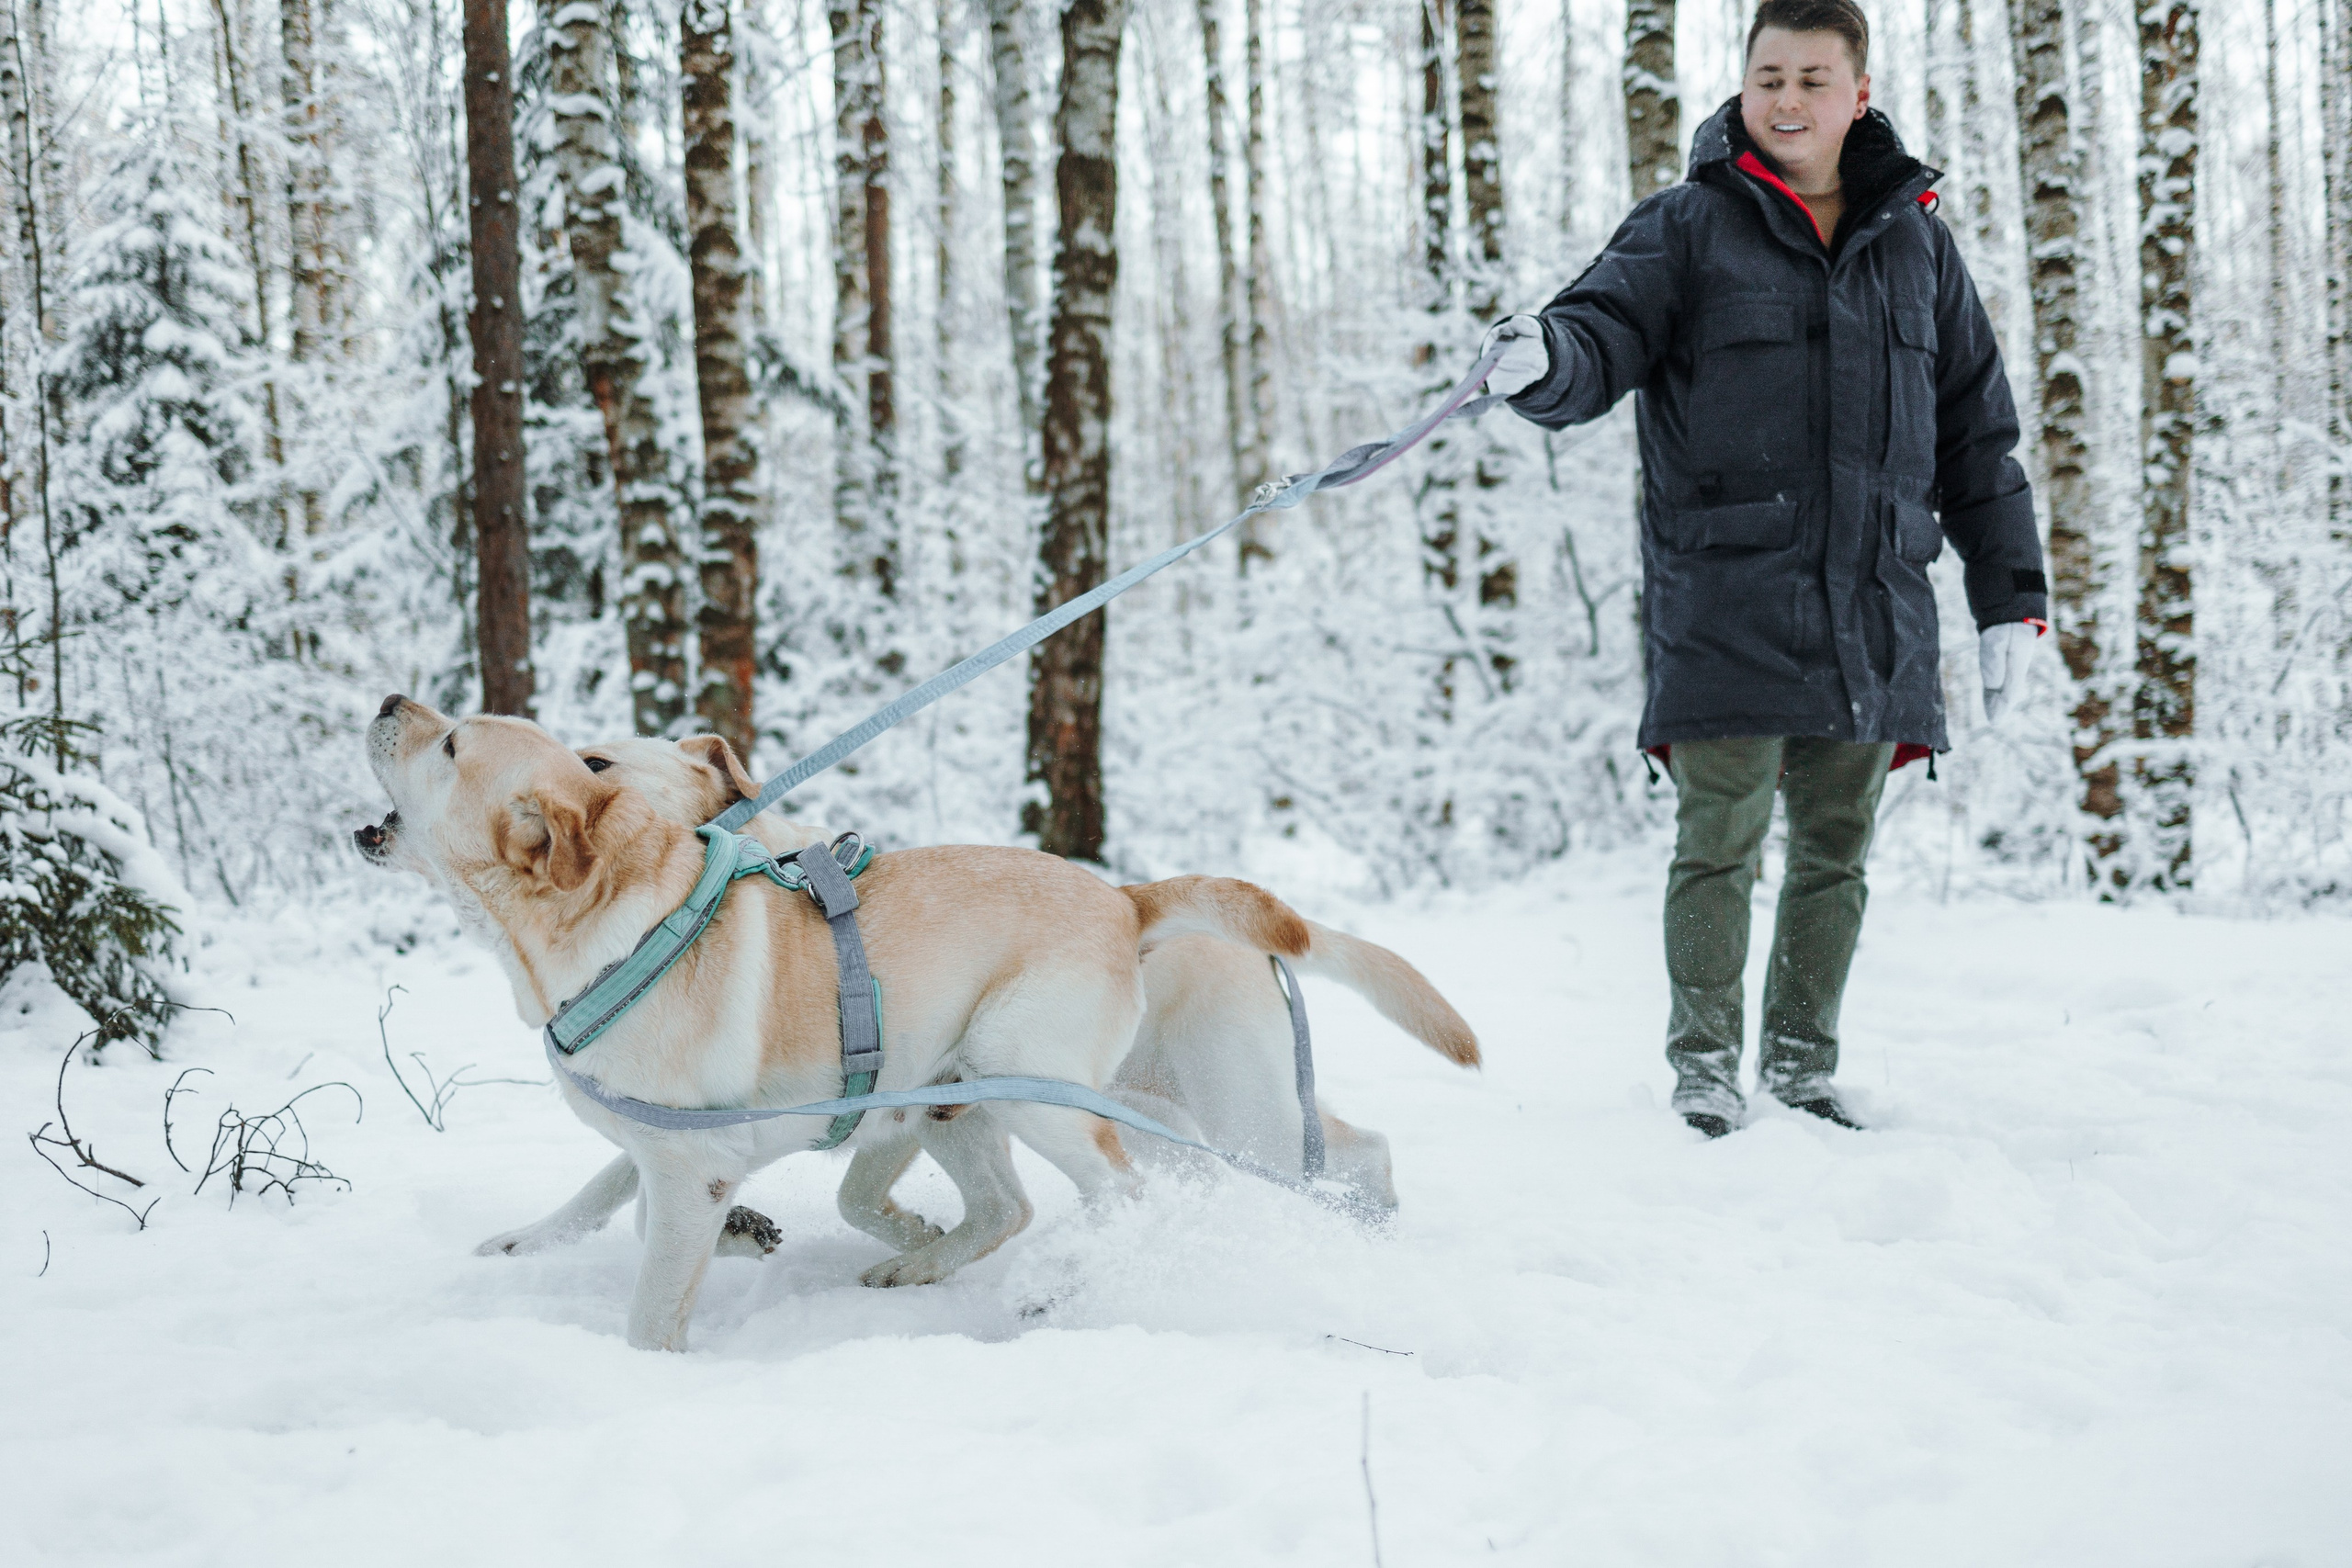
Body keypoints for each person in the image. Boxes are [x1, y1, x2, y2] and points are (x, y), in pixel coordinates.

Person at [1480, 0, 2047, 1137]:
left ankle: (1800, 1068)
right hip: (1726, 597)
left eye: (1810, 79)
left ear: (1858, 94)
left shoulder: (1918, 246)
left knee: (1836, 854)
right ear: (1742, 87)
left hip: (1872, 602)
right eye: (1768, 78)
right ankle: (1702, 1072)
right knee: (1719, 842)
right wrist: (1544, 359)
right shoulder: (1687, 225)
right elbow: (1597, 332)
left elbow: (1977, 436)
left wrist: (2009, 598)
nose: (1785, 100)